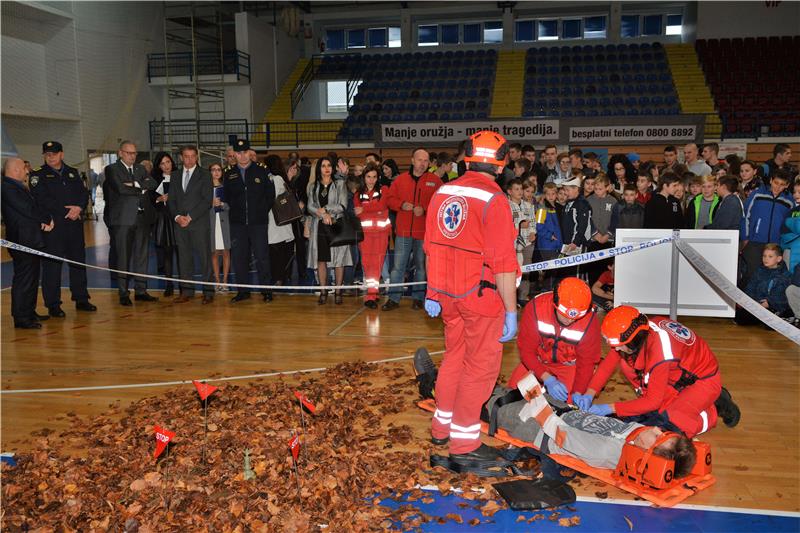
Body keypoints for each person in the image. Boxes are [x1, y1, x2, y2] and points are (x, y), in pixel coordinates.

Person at [423, 130, 520, 465]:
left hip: (448, 293)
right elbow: (505, 265)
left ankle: (442, 427)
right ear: (501, 162)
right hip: (481, 296)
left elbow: (430, 248)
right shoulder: (494, 201)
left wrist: (431, 291)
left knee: (453, 358)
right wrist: (511, 310)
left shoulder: (442, 192)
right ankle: (464, 445)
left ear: (466, 157)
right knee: (480, 368)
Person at [578, 306, 740, 438]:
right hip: (676, 375)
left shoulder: (659, 351)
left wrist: (611, 408)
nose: (615, 349)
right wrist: (590, 393)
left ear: (634, 340)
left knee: (669, 425)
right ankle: (694, 400)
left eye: (619, 345)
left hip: (702, 380)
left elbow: (653, 401)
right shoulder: (636, 332)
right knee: (628, 368)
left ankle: (715, 407)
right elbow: (607, 366)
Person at [29, 141, 96, 317]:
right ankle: (53, 304)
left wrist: (80, 208)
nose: (50, 157)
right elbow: (41, 199)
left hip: (74, 226)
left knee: (78, 263)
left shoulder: (72, 173)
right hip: (54, 227)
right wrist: (68, 210)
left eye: (53, 153)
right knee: (52, 266)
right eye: (47, 154)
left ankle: (81, 298)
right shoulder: (38, 175)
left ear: (62, 154)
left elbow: (83, 194)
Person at [508, 278, 602, 403]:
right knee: (513, 394)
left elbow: (587, 362)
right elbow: (526, 352)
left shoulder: (589, 320)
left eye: (576, 318)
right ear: (555, 305)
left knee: (567, 404)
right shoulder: (536, 308)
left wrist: (578, 392)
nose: (570, 321)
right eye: (565, 316)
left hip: (569, 366)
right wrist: (547, 378)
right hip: (538, 361)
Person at [383, 148, 442, 311]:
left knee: (421, 267)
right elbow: (389, 199)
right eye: (419, 160)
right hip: (402, 232)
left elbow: (441, 204)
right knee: (397, 268)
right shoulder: (400, 180)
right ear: (412, 160)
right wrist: (401, 205)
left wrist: (424, 209)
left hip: (424, 233)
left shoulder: (435, 181)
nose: (423, 163)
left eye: (426, 160)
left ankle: (418, 298)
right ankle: (393, 299)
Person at [104, 141, 158, 306]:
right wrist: (141, 187)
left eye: (134, 153)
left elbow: (153, 183)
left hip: (142, 218)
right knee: (124, 257)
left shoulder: (140, 169)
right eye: (129, 153)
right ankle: (123, 292)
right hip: (123, 220)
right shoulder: (112, 169)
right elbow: (120, 189)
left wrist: (134, 184)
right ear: (120, 153)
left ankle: (141, 290)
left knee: (142, 256)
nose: (132, 156)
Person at [2, 158, 54, 328]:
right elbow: (26, 209)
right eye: (24, 168)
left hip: (30, 239)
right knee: (24, 279)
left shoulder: (16, 186)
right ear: (16, 170)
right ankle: (21, 317)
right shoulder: (8, 187)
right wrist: (46, 219)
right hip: (22, 240)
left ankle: (29, 311)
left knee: (31, 278)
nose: (27, 171)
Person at [223, 139, 276, 303]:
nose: (242, 156)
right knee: (240, 258)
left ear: (249, 152)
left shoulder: (262, 170)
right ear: (234, 155)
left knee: (262, 256)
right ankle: (242, 291)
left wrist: (259, 211)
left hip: (258, 222)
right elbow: (227, 197)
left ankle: (266, 291)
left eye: (245, 152)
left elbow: (270, 195)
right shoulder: (229, 173)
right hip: (238, 223)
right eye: (238, 153)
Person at [167, 146, 214, 304]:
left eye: (193, 156)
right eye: (186, 156)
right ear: (181, 158)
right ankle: (186, 291)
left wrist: (190, 217)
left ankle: (208, 292)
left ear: (197, 157)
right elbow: (171, 200)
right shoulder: (174, 175)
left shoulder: (205, 175)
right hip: (180, 224)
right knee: (184, 258)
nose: (189, 159)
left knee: (205, 258)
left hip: (199, 223)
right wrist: (178, 217)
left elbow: (207, 201)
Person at [307, 157, 352, 305]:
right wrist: (321, 214)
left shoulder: (340, 184)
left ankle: (338, 291)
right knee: (321, 259)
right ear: (319, 168)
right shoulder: (313, 186)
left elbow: (343, 205)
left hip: (336, 225)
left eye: (329, 166)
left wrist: (327, 210)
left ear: (333, 169)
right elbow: (310, 206)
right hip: (319, 226)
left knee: (339, 260)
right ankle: (323, 290)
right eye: (323, 166)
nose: (326, 168)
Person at [740, 169, 794, 285]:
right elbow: (746, 215)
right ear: (771, 180)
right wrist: (745, 237)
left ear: (787, 185)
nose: (778, 187)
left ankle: (763, 302)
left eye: (782, 185)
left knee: (770, 277)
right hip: (754, 241)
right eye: (776, 183)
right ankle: (744, 301)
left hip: (775, 245)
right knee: (751, 273)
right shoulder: (757, 194)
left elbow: (789, 224)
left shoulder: (789, 201)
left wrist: (782, 243)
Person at [354, 163, 391, 308]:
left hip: (381, 233)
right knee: (367, 264)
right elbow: (357, 211)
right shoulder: (358, 193)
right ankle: (372, 293)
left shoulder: (384, 190)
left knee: (377, 263)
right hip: (365, 234)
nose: (371, 180)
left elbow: (382, 206)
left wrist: (365, 209)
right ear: (364, 177)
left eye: (374, 177)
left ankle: (371, 295)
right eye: (369, 177)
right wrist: (374, 210)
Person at [734, 243, 792, 325]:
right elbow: (751, 287)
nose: (766, 259)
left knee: (769, 320)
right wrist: (745, 300)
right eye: (764, 256)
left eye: (770, 256)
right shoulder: (759, 271)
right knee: (739, 317)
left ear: (779, 259)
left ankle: (777, 318)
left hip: (774, 306)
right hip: (758, 304)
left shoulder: (785, 275)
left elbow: (781, 296)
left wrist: (769, 302)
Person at [264, 155, 296, 288]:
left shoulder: (275, 179)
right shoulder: (278, 178)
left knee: (277, 251)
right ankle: (281, 276)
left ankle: (280, 277)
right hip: (279, 221)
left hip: (277, 220)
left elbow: (273, 197)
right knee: (280, 250)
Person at [151, 152, 178, 297]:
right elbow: (150, 199)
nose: (166, 166)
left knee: (182, 253)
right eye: (162, 163)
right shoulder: (154, 180)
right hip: (165, 218)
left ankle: (184, 284)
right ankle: (169, 284)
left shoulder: (180, 176)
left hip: (179, 218)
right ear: (158, 166)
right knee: (167, 253)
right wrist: (159, 199)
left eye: (168, 162)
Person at [559, 176, 592, 280]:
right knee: (568, 271)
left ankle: (579, 294)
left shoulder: (582, 204)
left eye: (567, 190)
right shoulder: (569, 203)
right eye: (564, 190)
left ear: (576, 189)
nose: (565, 193)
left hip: (578, 244)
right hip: (569, 243)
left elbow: (582, 226)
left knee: (577, 272)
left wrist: (575, 242)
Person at [585, 174, 616, 285]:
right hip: (594, 240)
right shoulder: (588, 200)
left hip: (608, 240)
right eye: (595, 188)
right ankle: (593, 293)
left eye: (600, 189)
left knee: (606, 269)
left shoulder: (613, 201)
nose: (597, 191)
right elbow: (586, 219)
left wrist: (608, 234)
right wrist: (595, 234)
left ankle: (605, 292)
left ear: (607, 188)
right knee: (593, 268)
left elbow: (615, 220)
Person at [534, 183, 563, 292]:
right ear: (544, 195)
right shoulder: (541, 209)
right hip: (546, 244)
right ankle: (546, 291)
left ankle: (551, 290)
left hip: (558, 245)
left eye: (553, 193)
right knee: (550, 270)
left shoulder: (559, 207)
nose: (551, 196)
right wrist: (550, 236)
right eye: (548, 194)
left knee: (555, 270)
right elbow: (538, 227)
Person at [209, 162, 231, 291]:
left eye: (218, 170)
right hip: (211, 222)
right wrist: (211, 203)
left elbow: (231, 206)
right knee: (214, 253)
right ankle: (217, 282)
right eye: (213, 169)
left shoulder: (226, 188)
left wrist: (222, 204)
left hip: (224, 222)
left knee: (226, 252)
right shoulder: (205, 188)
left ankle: (225, 281)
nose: (216, 172)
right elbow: (200, 206)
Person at [780, 180, 800, 272]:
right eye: (794, 192)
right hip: (789, 249)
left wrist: (791, 222)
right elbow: (783, 230)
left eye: (799, 192)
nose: (796, 195)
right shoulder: (792, 210)